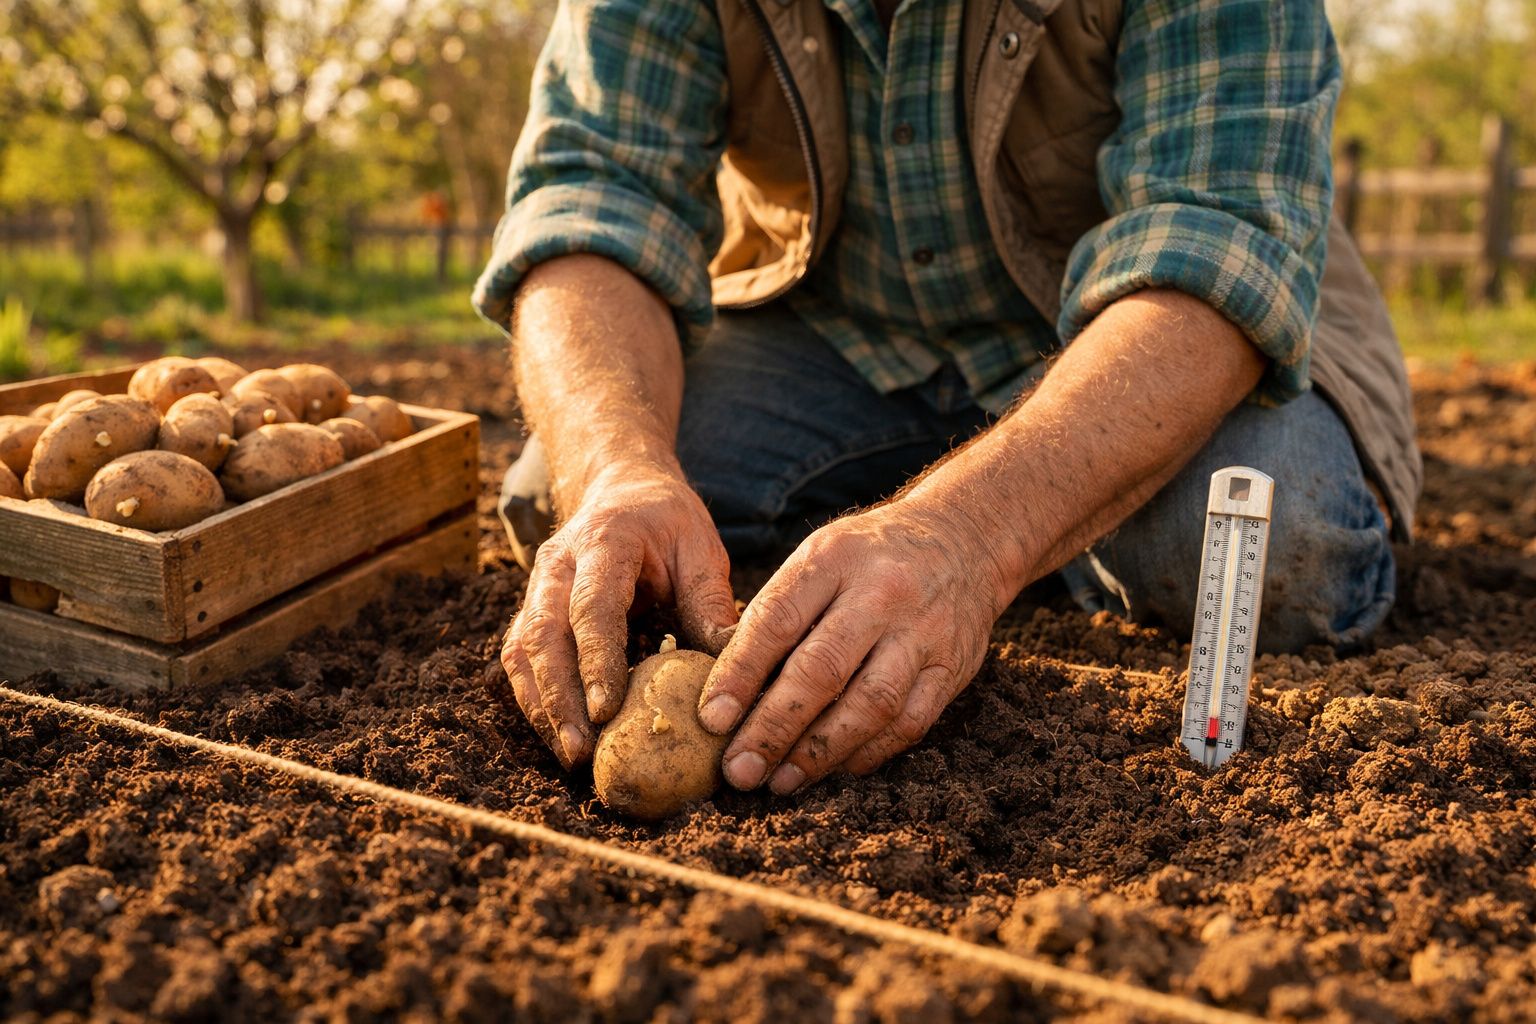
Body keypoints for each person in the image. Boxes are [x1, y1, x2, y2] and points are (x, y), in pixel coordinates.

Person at [472, 0, 1421, 796]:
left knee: (1275, 549)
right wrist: (618, 470)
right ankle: (1011, 540)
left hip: (1141, 322)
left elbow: (1216, 236)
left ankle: (987, 538)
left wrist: (965, 538)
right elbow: (595, 192)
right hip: (841, 329)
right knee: (573, 504)